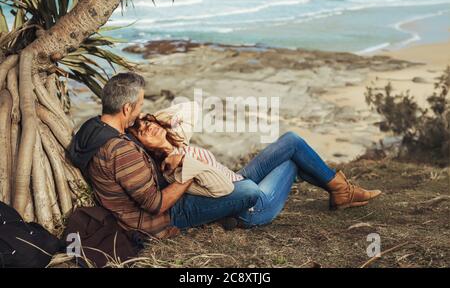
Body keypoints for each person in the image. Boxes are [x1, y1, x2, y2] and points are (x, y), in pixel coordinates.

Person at [129, 102, 382, 229]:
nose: (146, 126)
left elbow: (191, 108)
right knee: (293, 160)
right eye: (140, 130)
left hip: (239, 178)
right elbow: (221, 190)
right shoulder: (170, 167)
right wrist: (186, 161)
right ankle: (341, 190)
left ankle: (339, 189)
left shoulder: (178, 140)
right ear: (142, 146)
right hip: (249, 205)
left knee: (291, 140)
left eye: (146, 121)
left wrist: (150, 118)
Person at [68, 72, 260, 238]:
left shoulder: (93, 127)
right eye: (140, 106)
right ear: (126, 108)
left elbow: (189, 109)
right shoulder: (120, 151)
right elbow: (156, 205)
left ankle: (224, 212)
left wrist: (151, 125)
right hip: (161, 218)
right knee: (248, 190)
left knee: (232, 182)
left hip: (152, 197)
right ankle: (236, 214)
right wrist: (189, 172)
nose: (141, 112)